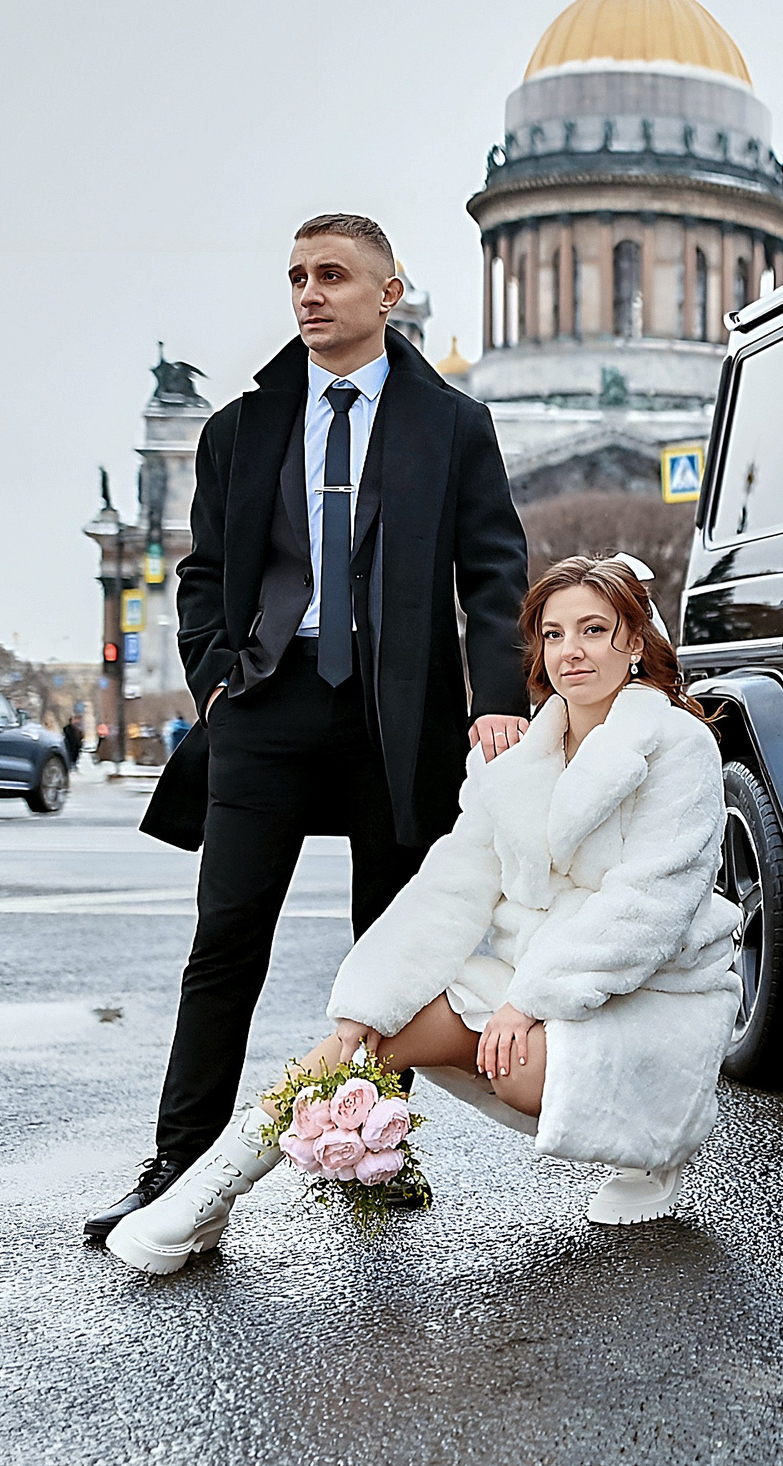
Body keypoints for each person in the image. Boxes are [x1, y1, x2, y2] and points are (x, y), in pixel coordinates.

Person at [83, 213, 531, 1244]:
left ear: (389, 293)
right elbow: (201, 575)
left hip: (398, 709)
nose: (309, 295)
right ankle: (175, 1168)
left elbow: (496, 573)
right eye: (295, 278)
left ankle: (374, 1157)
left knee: (390, 949)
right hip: (267, 704)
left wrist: (494, 698)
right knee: (226, 940)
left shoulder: (454, 425)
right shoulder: (240, 429)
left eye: (332, 276)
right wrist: (212, 681)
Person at [104, 554, 740, 1270]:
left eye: (594, 629)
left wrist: (526, 1003)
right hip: (540, 973)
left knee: (520, 1068)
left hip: (648, 991)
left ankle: (651, 1152)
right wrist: (369, 1002)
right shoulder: (518, 757)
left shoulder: (679, 745)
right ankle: (206, 1196)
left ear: (634, 639)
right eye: (554, 634)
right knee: (365, 1040)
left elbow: (646, 905)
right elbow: (451, 885)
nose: (572, 651)